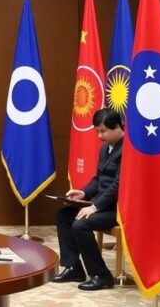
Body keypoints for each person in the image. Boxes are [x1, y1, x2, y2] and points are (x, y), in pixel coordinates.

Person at [51, 108, 123, 291]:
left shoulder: (129, 150)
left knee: (80, 224)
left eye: (103, 131)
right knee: (64, 215)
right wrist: (83, 194)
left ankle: (101, 275)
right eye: (97, 131)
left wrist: (95, 206)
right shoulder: (105, 149)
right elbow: (98, 178)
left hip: (119, 208)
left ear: (118, 127)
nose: (99, 135)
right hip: (101, 204)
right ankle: (74, 267)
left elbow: (118, 184)